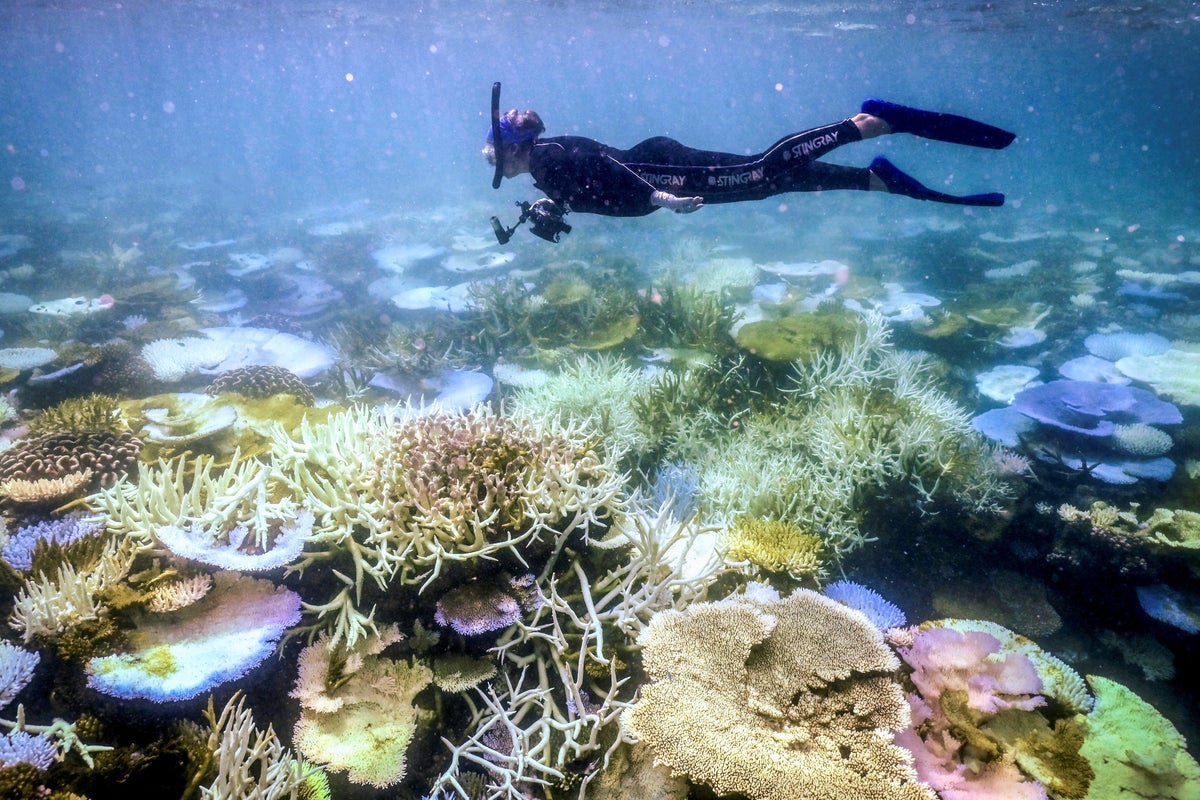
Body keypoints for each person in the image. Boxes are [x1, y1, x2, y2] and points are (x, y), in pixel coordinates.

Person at [483, 98, 1015, 220]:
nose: (491, 162)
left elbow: (600, 166)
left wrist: (657, 196)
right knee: (767, 185)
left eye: (492, 152)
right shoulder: (545, 168)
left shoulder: (549, 158)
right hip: (656, 173)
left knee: (762, 168)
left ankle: (866, 123)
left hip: (661, 172)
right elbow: (587, 189)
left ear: (514, 146)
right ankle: (872, 179)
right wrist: (548, 209)